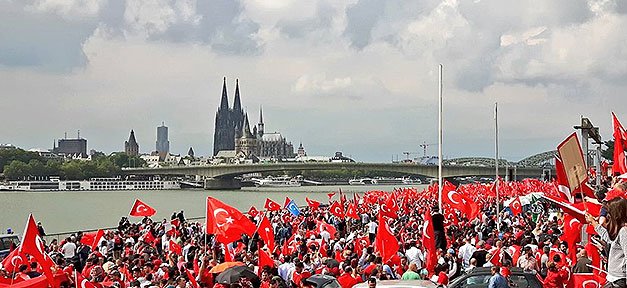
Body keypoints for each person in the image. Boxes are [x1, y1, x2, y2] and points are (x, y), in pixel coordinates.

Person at [586, 197, 627, 287]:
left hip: (619, 280)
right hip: (614, 278)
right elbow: (609, 239)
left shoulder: (624, 231)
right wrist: (594, 223)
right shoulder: (620, 229)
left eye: (609, 213)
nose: (607, 216)